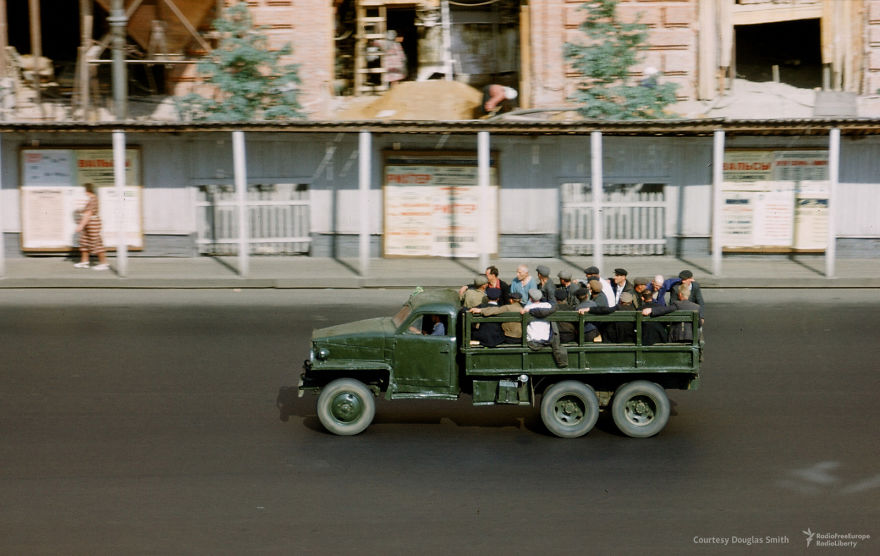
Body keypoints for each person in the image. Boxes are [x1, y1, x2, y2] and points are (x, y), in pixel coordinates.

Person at [74, 182, 109, 271]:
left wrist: (81, 225)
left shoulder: (92, 199)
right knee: (84, 241)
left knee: (96, 243)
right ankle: (84, 261)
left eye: (83, 190)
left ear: (87, 190)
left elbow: (88, 213)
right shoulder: (90, 198)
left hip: (92, 223)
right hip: (88, 223)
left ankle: (104, 263)